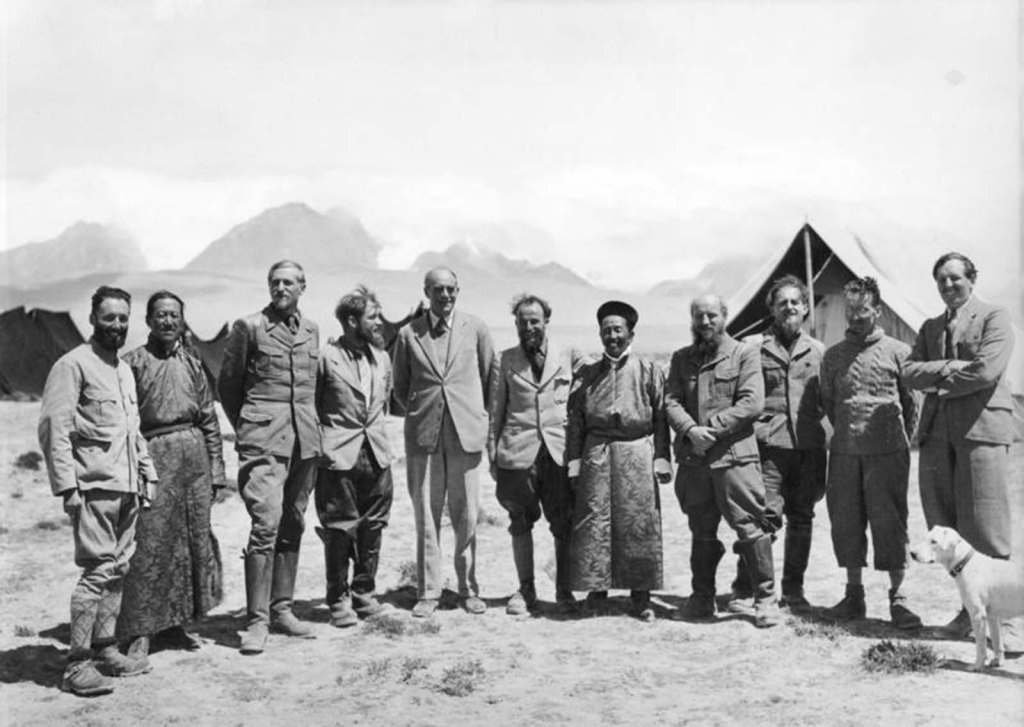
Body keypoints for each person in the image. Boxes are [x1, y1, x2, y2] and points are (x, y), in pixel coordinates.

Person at [38, 286, 158, 696]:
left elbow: (133, 430)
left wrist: (147, 475)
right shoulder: (72, 365)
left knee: (119, 570)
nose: (117, 325)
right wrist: (67, 487)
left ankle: (106, 649)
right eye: (109, 318)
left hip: (127, 486)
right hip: (93, 487)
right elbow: (54, 428)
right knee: (96, 573)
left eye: (123, 318)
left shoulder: (122, 370)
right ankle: (77, 664)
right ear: (92, 319)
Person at [902, 252, 1018, 642]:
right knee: (946, 524)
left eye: (955, 278)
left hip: (981, 428)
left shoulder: (994, 317)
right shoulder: (930, 327)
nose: (948, 285)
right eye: (941, 280)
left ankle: (1007, 622)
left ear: (972, 279)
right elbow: (908, 372)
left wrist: (938, 381)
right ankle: (970, 613)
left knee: (985, 523)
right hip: (937, 434)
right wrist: (949, 368)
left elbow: (986, 370)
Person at [219, 260, 321, 654]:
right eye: (275, 282)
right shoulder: (249, 327)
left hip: (304, 441)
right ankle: (257, 621)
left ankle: (282, 609)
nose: (280, 288)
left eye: (288, 282)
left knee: (293, 521)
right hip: (263, 441)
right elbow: (229, 387)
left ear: (302, 287)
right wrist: (252, 427)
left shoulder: (311, 330)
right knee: (266, 523)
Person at [116, 291, 226, 657]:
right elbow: (123, 423)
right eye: (161, 315)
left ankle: (177, 624)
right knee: (149, 544)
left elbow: (209, 418)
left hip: (194, 461)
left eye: (174, 315)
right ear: (148, 320)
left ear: (182, 321)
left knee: (190, 542)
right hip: (153, 458)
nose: (168, 321)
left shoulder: (193, 362)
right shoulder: (132, 363)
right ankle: (140, 631)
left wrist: (216, 470)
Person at [665, 294, 780, 628]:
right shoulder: (681, 358)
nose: (705, 322)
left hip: (734, 459)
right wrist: (690, 430)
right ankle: (702, 597)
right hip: (694, 460)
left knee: (751, 526)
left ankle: (765, 600)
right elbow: (671, 401)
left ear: (724, 316)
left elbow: (751, 403)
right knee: (701, 529)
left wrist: (710, 431)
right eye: (699, 316)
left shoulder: (744, 353)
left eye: (711, 315)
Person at [392, 267, 495, 617]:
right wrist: (425, 411)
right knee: (426, 513)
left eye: (451, 289)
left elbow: (489, 379)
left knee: (467, 514)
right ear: (426, 292)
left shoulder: (476, 328)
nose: (445, 295)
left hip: (466, 434)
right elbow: (401, 388)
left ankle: (469, 589)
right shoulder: (408, 334)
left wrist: (472, 415)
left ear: (458, 291)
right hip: (424, 437)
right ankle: (428, 591)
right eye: (438, 289)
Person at [820, 277, 920, 629]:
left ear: (877, 311)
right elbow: (830, 403)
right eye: (850, 309)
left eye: (863, 309)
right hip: (845, 454)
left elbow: (911, 406)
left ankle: (899, 598)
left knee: (890, 523)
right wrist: (851, 433)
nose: (855, 316)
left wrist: (892, 440)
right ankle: (854, 595)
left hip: (888, 454)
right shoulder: (832, 356)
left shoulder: (900, 352)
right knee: (846, 521)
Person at [566, 300, 672, 622]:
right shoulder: (587, 373)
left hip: (636, 452)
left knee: (638, 523)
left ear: (630, 334)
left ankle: (641, 596)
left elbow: (661, 416)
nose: (612, 336)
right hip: (596, 452)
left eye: (618, 330)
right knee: (594, 522)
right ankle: (596, 593)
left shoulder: (649, 369)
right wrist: (574, 461)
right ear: (600, 335)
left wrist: (662, 457)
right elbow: (575, 419)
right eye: (606, 331)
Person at [727, 276, 827, 614]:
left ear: (806, 308)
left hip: (808, 448)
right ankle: (746, 588)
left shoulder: (818, 350)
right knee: (763, 518)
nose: (789, 308)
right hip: (766, 448)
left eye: (795, 302)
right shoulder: (752, 347)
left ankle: (794, 592)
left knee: (802, 519)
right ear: (771, 308)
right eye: (782, 303)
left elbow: (825, 398)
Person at [488, 294, 585, 617]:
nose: (529, 327)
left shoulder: (569, 355)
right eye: (523, 322)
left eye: (535, 321)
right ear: (515, 324)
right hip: (517, 453)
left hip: (558, 453)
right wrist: (493, 454)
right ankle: (526, 589)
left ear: (546, 322)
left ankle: (564, 590)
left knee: (563, 523)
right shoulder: (504, 360)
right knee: (519, 521)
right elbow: (495, 411)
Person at [315, 286, 394, 627]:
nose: (379, 323)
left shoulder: (383, 358)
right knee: (339, 528)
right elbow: (313, 406)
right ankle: (337, 600)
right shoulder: (325, 357)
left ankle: (364, 594)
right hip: (338, 456)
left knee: (373, 526)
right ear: (351, 321)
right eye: (372, 317)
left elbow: (384, 401)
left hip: (376, 454)